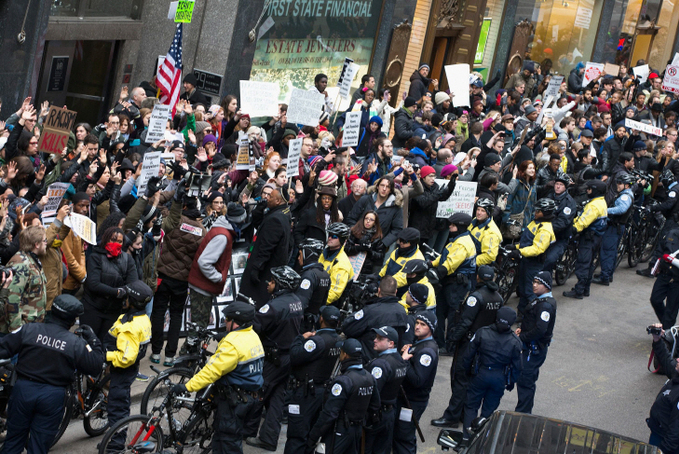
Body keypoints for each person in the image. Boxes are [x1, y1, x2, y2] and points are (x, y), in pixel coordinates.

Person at [0, 295, 103, 454]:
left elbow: (3, 348)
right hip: (52, 396)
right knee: (39, 447)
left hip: (23, 391)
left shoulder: (29, 329)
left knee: (13, 442)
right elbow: (95, 366)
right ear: (71, 320)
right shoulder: (74, 343)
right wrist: (94, 341)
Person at [171, 301, 264, 454]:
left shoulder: (232, 343)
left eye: (227, 319)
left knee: (229, 444)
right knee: (221, 440)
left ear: (235, 322)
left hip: (234, 402)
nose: (225, 322)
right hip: (249, 398)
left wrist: (187, 386)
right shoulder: (253, 336)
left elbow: (212, 371)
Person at [431, 265, 503, 428]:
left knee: (459, 379)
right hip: (485, 346)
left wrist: (453, 339)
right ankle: (464, 414)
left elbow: (466, 322)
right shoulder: (498, 298)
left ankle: (452, 416)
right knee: (470, 381)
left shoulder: (476, 297)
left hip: (468, 344)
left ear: (478, 277)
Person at [245, 266, 304, 451]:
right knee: (278, 399)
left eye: (272, 281)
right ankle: (269, 438)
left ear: (280, 285)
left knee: (257, 394)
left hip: (272, 359)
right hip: (288, 358)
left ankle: (248, 431)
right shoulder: (297, 301)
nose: (268, 283)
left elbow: (254, 328)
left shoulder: (272, 307)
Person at [150, 186, 206, 366]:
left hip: (164, 275)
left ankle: (156, 352)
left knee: (158, 312)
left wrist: (175, 192)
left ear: (183, 206)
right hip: (182, 281)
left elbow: (156, 206)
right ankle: (170, 356)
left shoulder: (173, 220)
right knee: (176, 315)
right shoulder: (201, 231)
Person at [306, 338, 381, 454]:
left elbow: (329, 414)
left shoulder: (343, 381)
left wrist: (313, 437)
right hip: (357, 429)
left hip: (340, 430)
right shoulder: (369, 377)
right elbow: (375, 405)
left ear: (345, 354)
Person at [284, 305, 341, 454]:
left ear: (321, 318)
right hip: (320, 391)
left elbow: (295, 356)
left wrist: (300, 338)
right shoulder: (337, 339)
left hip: (305, 393)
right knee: (309, 435)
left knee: (297, 434)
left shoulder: (317, 341)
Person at [186, 203, 246, 343]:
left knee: (199, 326)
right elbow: (204, 262)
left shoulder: (223, 231)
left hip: (202, 286)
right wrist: (217, 278)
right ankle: (187, 358)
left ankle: (190, 357)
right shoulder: (223, 236)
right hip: (202, 287)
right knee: (198, 328)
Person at [461, 306, 523, 442]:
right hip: (499, 377)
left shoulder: (482, 332)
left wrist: (467, 371)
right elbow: (518, 366)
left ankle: (467, 437)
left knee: (471, 405)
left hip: (480, 374)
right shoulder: (515, 342)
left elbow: (468, 355)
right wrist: (511, 381)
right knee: (488, 410)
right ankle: (481, 439)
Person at [105, 281, 153, 451]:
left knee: (117, 407)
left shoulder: (130, 328)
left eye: (125, 296)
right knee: (118, 403)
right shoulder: (140, 318)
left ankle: (116, 445)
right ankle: (112, 438)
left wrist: (106, 355)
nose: (122, 298)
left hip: (123, 370)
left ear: (130, 301)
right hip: (129, 371)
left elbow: (126, 358)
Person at [79, 226, 138, 341]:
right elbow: (93, 284)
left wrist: (122, 292)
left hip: (113, 311)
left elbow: (133, 283)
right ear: (106, 239)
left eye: (120, 241)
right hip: (93, 308)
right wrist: (117, 292)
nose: (116, 243)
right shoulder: (95, 257)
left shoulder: (127, 260)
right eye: (113, 240)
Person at [394, 310, 438, 454]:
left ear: (430, 329)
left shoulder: (427, 352)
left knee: (403, 437)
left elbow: (418, 380)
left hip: (412, 402)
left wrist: (405, 360)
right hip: (407, 399)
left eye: (423, 324)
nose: (417, 326)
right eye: (417, 323)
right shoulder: (420, 344)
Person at [430, 213, 476, 350]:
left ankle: (450, 346)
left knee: (453, 316)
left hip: (456, 285)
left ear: (460, 227)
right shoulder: (457, 239)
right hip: (449, 283)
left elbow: (451, 263)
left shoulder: (462, 243)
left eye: (453, 225)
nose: (450, 227)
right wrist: (431, 264)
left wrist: (438, 272)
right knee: (439, 312)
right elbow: (445, 256)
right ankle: (439, 342)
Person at [241, 187, 292, 308]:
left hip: (264, 272)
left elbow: (266, 247)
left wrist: (256, 268)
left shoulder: (275, 219)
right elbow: (258, 222)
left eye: (270, 197)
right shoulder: (284, 213)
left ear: (278, 201)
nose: (266, 198)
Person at [515, 271, 557, 414]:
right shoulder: (538, 300)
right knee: (524, 379)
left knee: (525, 381)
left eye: (538, 283)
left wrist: (522, 337)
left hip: (533, 350)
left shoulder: (545, 306)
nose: (534, 285)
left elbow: (540, 330)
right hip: (529, 347)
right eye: (534, 282)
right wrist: (523, 328)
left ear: (546, 286)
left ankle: (522, 414)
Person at [342, 276, 411, 362]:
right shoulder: (402, 311)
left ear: (379, 290)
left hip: (368, 360)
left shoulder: (371, 310)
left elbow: (348, 328)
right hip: (391, 360)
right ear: (396, 292)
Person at [364, 326, 409, 454]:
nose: (375, 340)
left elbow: (373, 392)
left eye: (380, 338)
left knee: (367, 448)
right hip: (389, 412)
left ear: (391, 344)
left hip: (376, 414)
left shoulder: (381, 364)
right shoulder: (400, 360)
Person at [563, 180, 608, 299]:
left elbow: (583, 222)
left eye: (590, 189)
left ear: (596, 190)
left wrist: (572, 228)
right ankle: (585, 289)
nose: (587, 191)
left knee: (583, 263)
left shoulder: (593, 205)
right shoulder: (602, 202)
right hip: (597, 238)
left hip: (589, 238)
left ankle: (579, 291)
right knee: (589, 263)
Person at [511, 198, 556, 314]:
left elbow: (537, 249)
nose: (535, 213)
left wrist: (520, 252)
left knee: (530, 291)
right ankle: (521, 313)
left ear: (545, 213)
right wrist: (515, 247)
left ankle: (531, 317)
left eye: (538, 211)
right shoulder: (535, 222)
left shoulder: (545, 229)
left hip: (534, 263)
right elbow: (527, 242)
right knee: (522, 288)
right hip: (526, 261)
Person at [0, 226, 48, 334]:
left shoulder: (33, 260)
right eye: (45, 240)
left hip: (32, 328)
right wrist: (17, 331)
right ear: (36, 244)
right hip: (22, 331)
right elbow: (12, 299)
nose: (46, 243)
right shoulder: (21, 264)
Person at [594, 173, 635, 285]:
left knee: (607, 252)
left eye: (620, 183)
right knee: (611, 251)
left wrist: (606, 211)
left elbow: (621, 209)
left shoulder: (625, 196)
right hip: (615, 227)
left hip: (614, 227)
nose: (618, 185)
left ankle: (605, 277)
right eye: (618, 182)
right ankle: (607, 274)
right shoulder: (624, 194)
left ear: (627, 185)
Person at [647, 322, 679, 453]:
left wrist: (663, 450)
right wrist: (657, 340)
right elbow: (666, 361)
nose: (677, 359)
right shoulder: (676, 374)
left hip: (665, 441)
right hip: (657, 432)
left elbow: (676, 432)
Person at [347, 176, 404, 248]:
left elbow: (397, 229)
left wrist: (383, 243)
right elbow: (351, 218)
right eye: (382, 185)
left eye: (388, 187)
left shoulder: (395, 207)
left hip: (379, 246)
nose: (384, 189)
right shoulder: (365, 200)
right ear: (377, 186)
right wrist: (356, 233)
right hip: (358, 243)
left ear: (390, 190)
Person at [542, 175, 576, 274]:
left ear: (565, 187)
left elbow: (563, 222)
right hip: (546, 234)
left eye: (561, 185)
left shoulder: (569, 203)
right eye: (557, 184)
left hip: (560, 237)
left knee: (549, 259)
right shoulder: (549, 196)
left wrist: (547, 228)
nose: (558, 187)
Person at [295, 239, 331, 324]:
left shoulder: (309, 275)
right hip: (314, 320)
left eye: (300, 254)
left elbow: (300, 304)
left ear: (306, 254)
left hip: (303, 322)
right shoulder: (325, 274)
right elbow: (323, 303)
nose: (298, 258)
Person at [649, 228, 679, 329]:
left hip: (677, 279)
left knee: (671, 309)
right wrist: (654, 264)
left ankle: (665, 334)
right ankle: (667, 327)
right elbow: (660, 249)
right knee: (655, 299)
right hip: (665, 274)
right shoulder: (671, 233)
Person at [318, 222, 355, 306]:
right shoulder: (324, 253)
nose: (330, 238)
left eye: (334, 236)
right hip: (319, 292)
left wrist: (316, 303)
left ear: (342, 240)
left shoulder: (341, 264)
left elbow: (334, 293)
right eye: (329, 234)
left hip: (329, 303)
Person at [344, 210, 386, 275]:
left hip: (367, 269)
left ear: (375, 222)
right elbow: (345, 249)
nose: (368, 221)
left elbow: (380, 256)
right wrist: (359, 248)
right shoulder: (354, 231)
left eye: (371, 220)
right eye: (366, 218)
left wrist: (370, 251)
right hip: (351, 264)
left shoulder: (377, 236)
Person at [469, 198, 502, 266]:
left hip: (477, 265)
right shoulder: (475, 221)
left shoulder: (491, 233)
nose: (479, 213)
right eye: (478, 209)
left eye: (483, 211)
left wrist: (469, 262)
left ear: (488, 214)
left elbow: (489, 257)